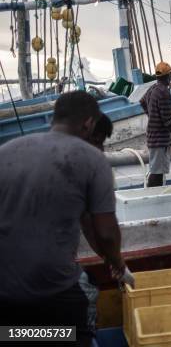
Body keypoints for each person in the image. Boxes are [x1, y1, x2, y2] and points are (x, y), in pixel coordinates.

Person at [0, 91, 133, 347]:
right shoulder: (92, 161)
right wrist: (118, 264)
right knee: (78, 319)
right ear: (89, 124)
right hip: (52, 292)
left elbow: (87, 224)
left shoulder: (6, 151)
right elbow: (104, 232)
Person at [140, 61, 171, 187]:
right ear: (169, 76)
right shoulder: (163, 92)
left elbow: (142, 102)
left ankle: (154, 196)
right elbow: (169, 121)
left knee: (157, 171)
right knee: (157, 173)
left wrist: (151, 115)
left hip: (153, 137)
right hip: (160, 140)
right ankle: (153, 198)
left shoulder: (152, 89)